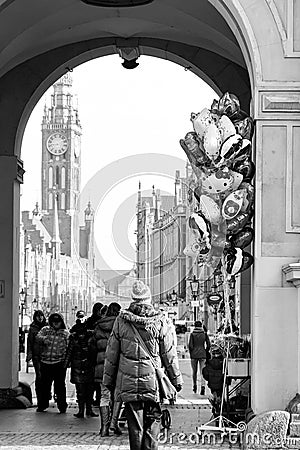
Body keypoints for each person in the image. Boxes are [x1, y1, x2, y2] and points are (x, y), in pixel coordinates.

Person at [103, 280, 183, 450]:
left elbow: (111, 354)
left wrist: (108, 381)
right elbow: (169, 354)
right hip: (152, 381)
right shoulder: (159, 321)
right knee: (154, 419)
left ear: (133, 299)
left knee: (135, 425)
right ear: (148, 299)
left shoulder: (121, 321)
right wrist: (176, 380)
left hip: (128, 380)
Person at [89, 302, 122, 436]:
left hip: (101, 366)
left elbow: (92, 346)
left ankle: (104, 428)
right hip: (117, 366)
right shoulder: (121, 325)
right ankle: (114, 423)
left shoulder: (99, 326)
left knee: (104, 396)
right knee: (117, 395)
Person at [64, 310, 98, 418]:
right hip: (79, 364)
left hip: (87, 364)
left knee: (89, 389)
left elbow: (94, 350)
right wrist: (66, 364)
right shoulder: (74, 337)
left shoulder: (90, 337)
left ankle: (87, 409)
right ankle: (82, 410)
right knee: (81, 389)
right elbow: (69, 350)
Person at [35, 313, 69, 413]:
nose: (56, 324)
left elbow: (69, 346)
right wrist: (44, 339)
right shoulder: (46, 330)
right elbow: (38, 337)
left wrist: (66, 361)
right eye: (54, 322)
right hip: (45, 362)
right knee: (45, 385)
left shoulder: (65, 333)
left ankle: (62, 405)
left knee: (60, 386)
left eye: (58, 322)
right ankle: (42, 405)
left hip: (59, 363)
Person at [26, 310, 47, 406]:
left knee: (46, 376)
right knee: (39, 376)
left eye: (41, 315)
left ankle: (46, 395)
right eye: (38, 316)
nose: (40, 318)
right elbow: (30, 342)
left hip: (46, 355)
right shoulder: (32, 328)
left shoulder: (47, 326)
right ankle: (40, 398)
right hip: (37, 355)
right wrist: (29, 354)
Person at [188, 320, 210, 395]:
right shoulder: (204, 334)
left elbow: (190, 345)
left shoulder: (192, 334)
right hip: (202, 354)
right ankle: (203, 387)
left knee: (194, 372)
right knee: (202, 372)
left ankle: (194, 386)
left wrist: (191, 353)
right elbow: (209, 344)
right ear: (201, 326)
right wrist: (205, 351)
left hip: (194, 355)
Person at [202, 347, 224, 416]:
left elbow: (205, 373)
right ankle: (219, 402)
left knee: (214, 391)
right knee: (220, 392)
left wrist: (208, 379)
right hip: (221, 383)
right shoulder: (223, 363)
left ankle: (216, 401)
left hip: (212, 383)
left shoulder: (209, 363)